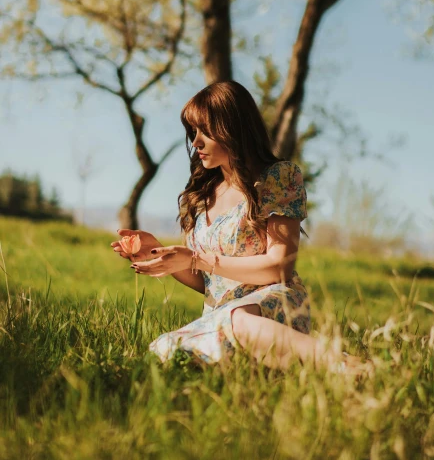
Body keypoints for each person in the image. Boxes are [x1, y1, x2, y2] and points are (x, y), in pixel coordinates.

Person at [111, 81, 372, 377]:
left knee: (240, 320)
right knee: (164, 352)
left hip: (271, 304)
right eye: (192, 132)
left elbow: (279, 266)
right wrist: (158, 253)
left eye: (204, 130)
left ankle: (352, 369)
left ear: (231, 127)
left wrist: (197, 259)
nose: (195, 142)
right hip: (220, 312)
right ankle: (286, 368)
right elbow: (210, 283)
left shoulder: (278, 177)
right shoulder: (201, 194)